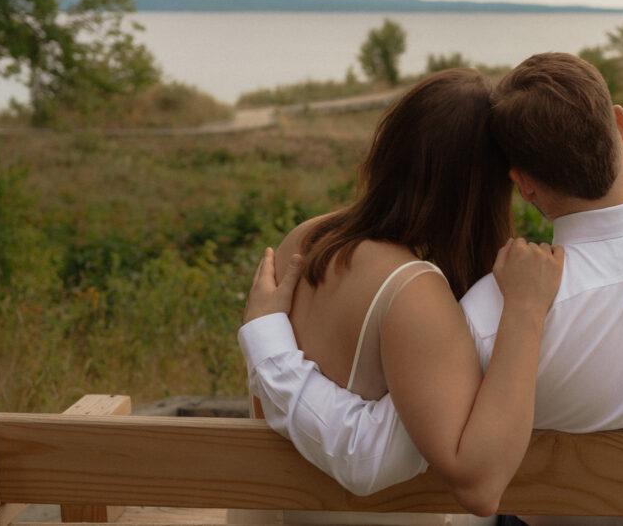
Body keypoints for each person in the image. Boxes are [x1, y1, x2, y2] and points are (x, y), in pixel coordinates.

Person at [240, 53, 623, 526]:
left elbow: (381, 450)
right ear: (621, 125)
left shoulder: (492, 311)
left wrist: (266, 340)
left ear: (522, 182)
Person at [236, 67, 565, 524]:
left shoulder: (307, 239)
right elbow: (482, 485)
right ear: (492, 185)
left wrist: (263, 338)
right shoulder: (412, 293)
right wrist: (526, 311)